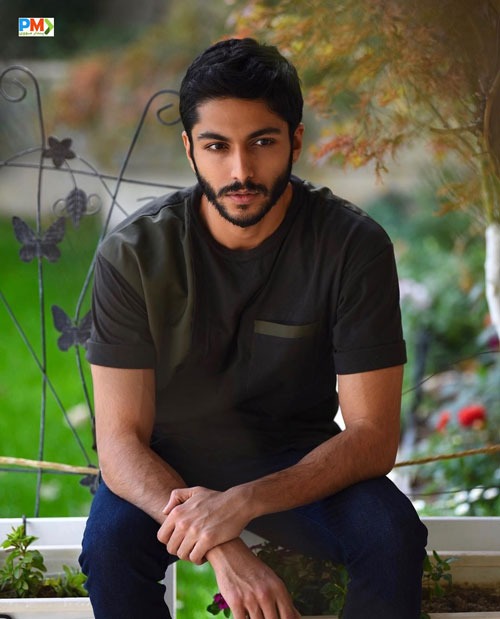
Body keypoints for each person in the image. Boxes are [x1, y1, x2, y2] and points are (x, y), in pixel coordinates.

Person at [79, 37, 428, 619]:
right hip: (170, 461)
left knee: (392, 539)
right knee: (111, 549)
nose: (240, 171)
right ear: (189, 148)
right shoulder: (134, 253)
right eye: (217, 146)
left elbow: (372, 437)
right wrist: (221, 541)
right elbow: (120, 443)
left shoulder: (352, 246)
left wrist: (241, 503)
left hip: (297, 457)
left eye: (262, 142)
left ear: (296, 140)